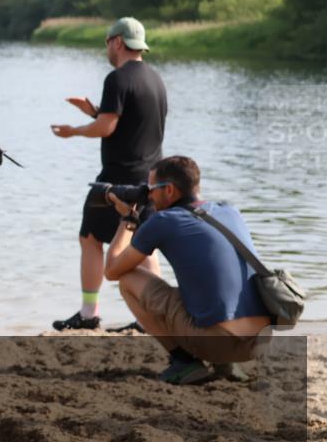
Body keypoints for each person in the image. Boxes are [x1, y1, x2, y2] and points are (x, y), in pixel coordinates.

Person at [103, 155, 272, 384]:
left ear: (170, 190)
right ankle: (227, 364)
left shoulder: (163, 221)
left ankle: (184, 362)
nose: (149, 195)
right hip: (257, 343)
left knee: (128, 280)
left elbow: (112, 270)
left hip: (214, 342)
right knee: (208, 287)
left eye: (151, 188)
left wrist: (127, 219)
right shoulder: (229, 210)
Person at [50, 17, 167, 330]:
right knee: (143, 243)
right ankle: (154, 312)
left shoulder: (117, 78)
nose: (107, 48)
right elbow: (131, 122)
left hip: (118, 178)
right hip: (152, 178)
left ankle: (88, 314)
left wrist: (73, 131)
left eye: (107, 42)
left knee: (89, 238)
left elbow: (108, 127)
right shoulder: (156, 79)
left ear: (117, 42)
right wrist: (92, 110)